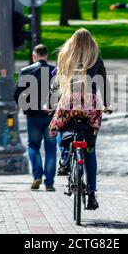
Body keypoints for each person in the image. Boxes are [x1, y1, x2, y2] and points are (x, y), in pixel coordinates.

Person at [48, 28, 111, 210]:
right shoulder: (96, 59)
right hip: (90, 105)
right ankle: (91, 194)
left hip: (68, 101)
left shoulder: (65, 57)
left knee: (59, 126)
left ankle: (66, 159)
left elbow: (55, 84)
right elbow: (103, 84)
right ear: (91, 43)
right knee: (90, 150)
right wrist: (106, 104)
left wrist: (49, 103)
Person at [14, 44, 57, 191]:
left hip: (33, 115)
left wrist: (25, 108)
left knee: (33, 146)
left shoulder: (26, 71)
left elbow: (17, 93)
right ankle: (49, 183)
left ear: (34, 56)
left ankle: (37, 175)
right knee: (51, 149)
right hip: (51, 115)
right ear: (46, 55)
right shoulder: (55, 71)